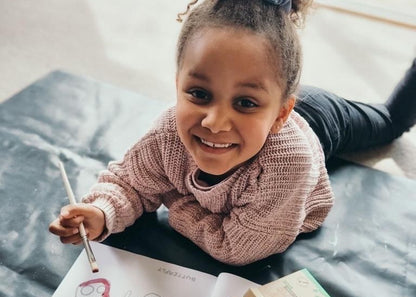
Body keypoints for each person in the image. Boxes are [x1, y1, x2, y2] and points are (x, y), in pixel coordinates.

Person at [49, 0, 415, 266]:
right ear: (178, 86)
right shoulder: (167, 130)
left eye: (244, 102)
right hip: (278, 97)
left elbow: (238, 247)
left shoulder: (289, 163)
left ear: (280, 114)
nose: (214, 122)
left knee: (389, 122)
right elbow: (131, 182)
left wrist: (174, 202)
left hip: (321, 120)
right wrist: (101, 212)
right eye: (199, 94)